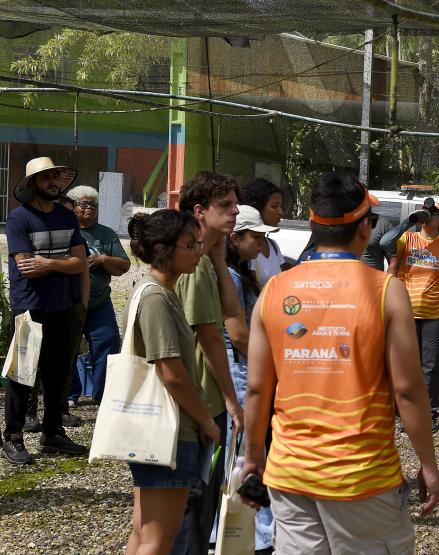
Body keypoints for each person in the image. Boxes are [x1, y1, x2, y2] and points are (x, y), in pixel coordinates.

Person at [240, 172, 439, 553]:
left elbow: (257, 387)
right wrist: (428, 464)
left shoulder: (274, 289)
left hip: (290, 475)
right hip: (362, 478)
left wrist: (253, 458)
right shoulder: (386, 291)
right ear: (365, 228)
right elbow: (409, 390)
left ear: (314, 225)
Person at [123, 210, 221, 555]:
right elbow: (172, 373)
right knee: (158, 540)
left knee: (143, 533)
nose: (198, 251)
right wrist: (208, 421)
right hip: (169, 433)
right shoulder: (156, 297)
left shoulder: (155, 291)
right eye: (190, 245)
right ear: (163, 249)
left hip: (156, 433)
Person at [172, 171, 244, 555]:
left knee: (205, 499)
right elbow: (212, 336)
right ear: (199, 211)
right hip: (200, 398)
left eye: (235, 204)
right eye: (226, 205)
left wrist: (219, 258)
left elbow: (232, 317)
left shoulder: (208, 258)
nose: (235, 212)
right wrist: (233, 401)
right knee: (194, 503)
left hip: (208, 396)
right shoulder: (193, 262)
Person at [1, 157, 88, 465]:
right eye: (47, 178)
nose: (54, 182)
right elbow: (26, 268)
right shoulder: (19, 218)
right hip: (30, 307)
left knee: (56, 373)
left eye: (57, 177)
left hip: (63, 304)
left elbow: (81, 262)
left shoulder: (67, 217)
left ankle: (52, 433)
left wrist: (49, 262)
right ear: (32, 184)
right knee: (22, 374)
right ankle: (12, 437)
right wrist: (65, 262)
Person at [220, 204, 276, 554]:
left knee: (242, 450)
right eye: (254, 237)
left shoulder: (241, 272)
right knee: (243, 452)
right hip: (240, 369)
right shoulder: (231, 276)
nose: (260, 244)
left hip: (244, 368)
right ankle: (254, 533)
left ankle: (241, 529)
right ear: (235, 237)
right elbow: (238, 334)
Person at [380, 197, 439, 426]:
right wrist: (409, 222)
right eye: (427, 212)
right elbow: (384, 242)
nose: (429, 216)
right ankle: (406, 413)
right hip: (406, 313)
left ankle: (428, 414)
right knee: (407, 365)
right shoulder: (407, 238)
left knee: (431, 366)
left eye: (434, 213)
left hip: (437, 315)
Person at [65, 185, 131, 406]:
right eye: (83, 204)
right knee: (67, 349)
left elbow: (124, 265)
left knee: (109, 344)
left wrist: (103, 259)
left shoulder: (106, 234)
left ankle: (102, 395)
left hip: (99, 302)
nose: (89, 208)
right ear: (72, 207)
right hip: (69, 302)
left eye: (93, 204)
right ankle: (69, 395)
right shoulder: (65, 230)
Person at [240, 178, 290, 287]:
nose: (281, 212)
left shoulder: (273, 246)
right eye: (274, 206)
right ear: (257, 207)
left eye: (281, 206)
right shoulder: (248, 250)